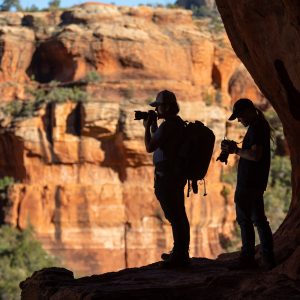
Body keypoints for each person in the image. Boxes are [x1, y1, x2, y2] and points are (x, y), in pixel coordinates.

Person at [221, 98, 275, 270]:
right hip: (254, 182)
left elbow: (255, 155)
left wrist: (235, 150)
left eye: (240, 116)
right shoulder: (258, 126)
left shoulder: (257, 127)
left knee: (245, 220)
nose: (239, 120)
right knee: (258, 219)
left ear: (248, 111)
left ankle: (247, 260)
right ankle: (267, 258)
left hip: (249, 183)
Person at [143, 90, 190, 268]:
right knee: (179, 215)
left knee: (175, 216)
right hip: (176, 176)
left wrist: (147, 127)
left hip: (167, 178)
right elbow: (163, 142)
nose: (156, 110)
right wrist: (154, 127)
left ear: (167, 106)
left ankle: (179, 257)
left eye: (158, 106)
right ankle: (180, 253)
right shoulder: (177, 124)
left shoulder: (168, 126)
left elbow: (150, 147)